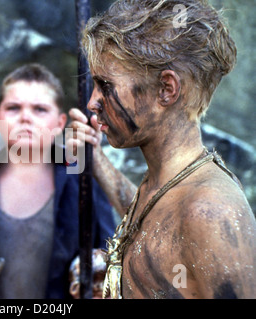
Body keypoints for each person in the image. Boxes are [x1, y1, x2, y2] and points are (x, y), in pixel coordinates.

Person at [67, 0, 255, 299]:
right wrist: (95, 157)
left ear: (166, 89)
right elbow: (152, 223)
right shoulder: (166, 183)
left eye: (105, 85)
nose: (92, 102)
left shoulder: (212, 212)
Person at [0, 63, 117, 299]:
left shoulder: (84, 182)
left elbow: (111, 256)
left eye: (39, 109)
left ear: (60, 123)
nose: (25, 117)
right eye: (14, 108)